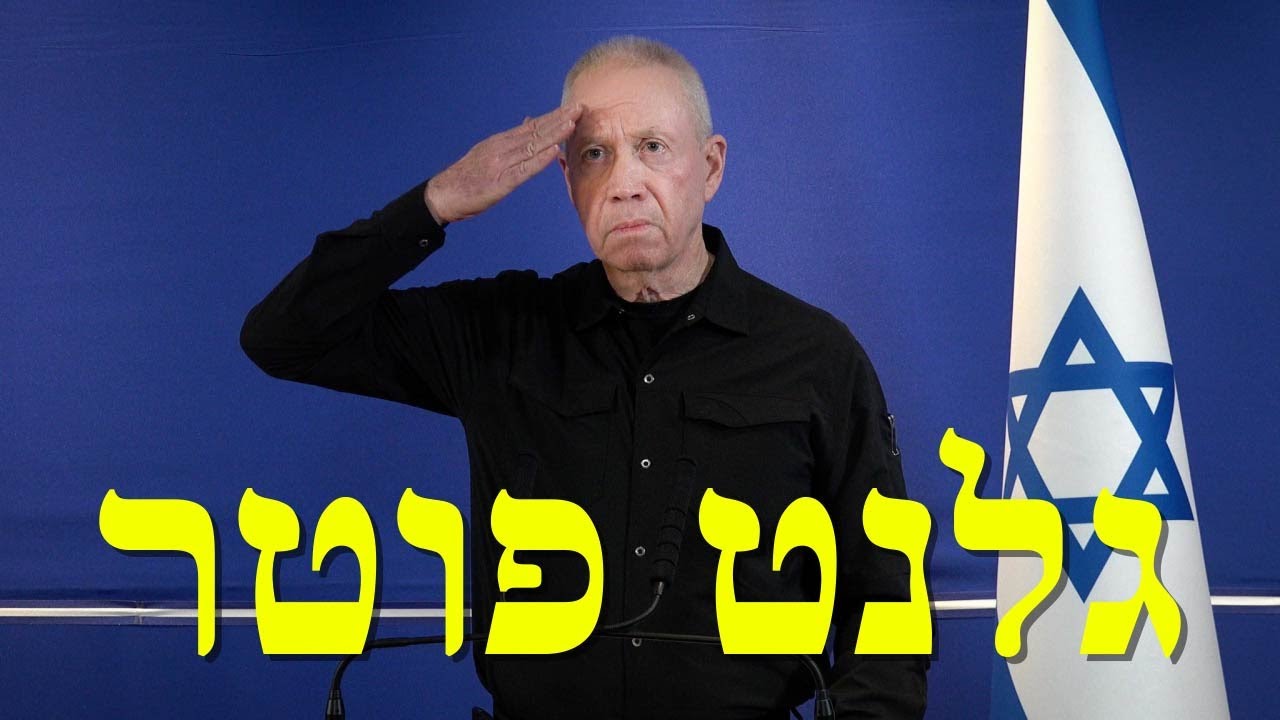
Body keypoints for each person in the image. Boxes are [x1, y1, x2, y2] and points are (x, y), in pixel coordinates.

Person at [241, 36, 926, 720]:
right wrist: (436, 204)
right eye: (596, 154)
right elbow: (284, 337)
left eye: (653, 147)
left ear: (710, 167)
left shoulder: (816, 357)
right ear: (568, 178)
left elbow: (888, 612)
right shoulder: (502, 333)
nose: (625, 182)